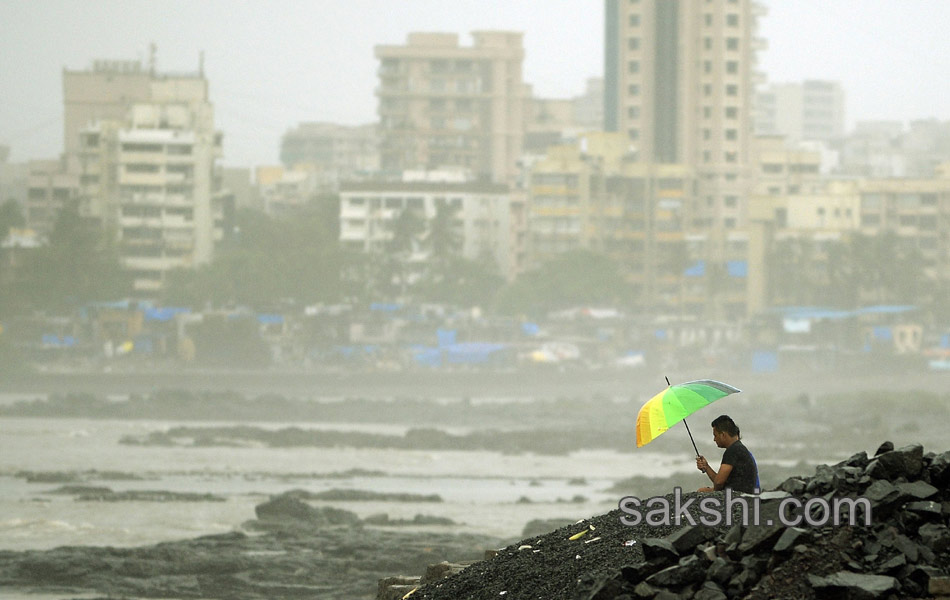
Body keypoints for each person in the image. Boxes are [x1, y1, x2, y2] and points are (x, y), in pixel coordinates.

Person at [696, 414, 759, 494]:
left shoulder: (732, 451)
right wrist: (706, 467)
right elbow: (719, 481)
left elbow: (718, 483)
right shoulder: (739, 448)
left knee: (701, 492)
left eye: (715, 435)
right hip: (745, 494)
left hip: (739, 497)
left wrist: (709, 490)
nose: (714, 439)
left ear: (723, 435)